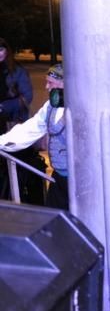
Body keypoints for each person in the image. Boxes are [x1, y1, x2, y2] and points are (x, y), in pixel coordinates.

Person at [0, 64, 68, 208]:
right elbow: (31, 129)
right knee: (54, 220)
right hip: (59, 178)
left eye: (50, 82)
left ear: (65, 83)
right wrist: (1, 142)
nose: (46, 87)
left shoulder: (81, 107)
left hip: (80, 182)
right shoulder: (50, 106)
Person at [0, 37, 32, 126]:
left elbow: (27, 96)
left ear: (6, 51)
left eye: (1, 49)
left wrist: (3, 107)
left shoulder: (17, 70)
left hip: (13, 118)